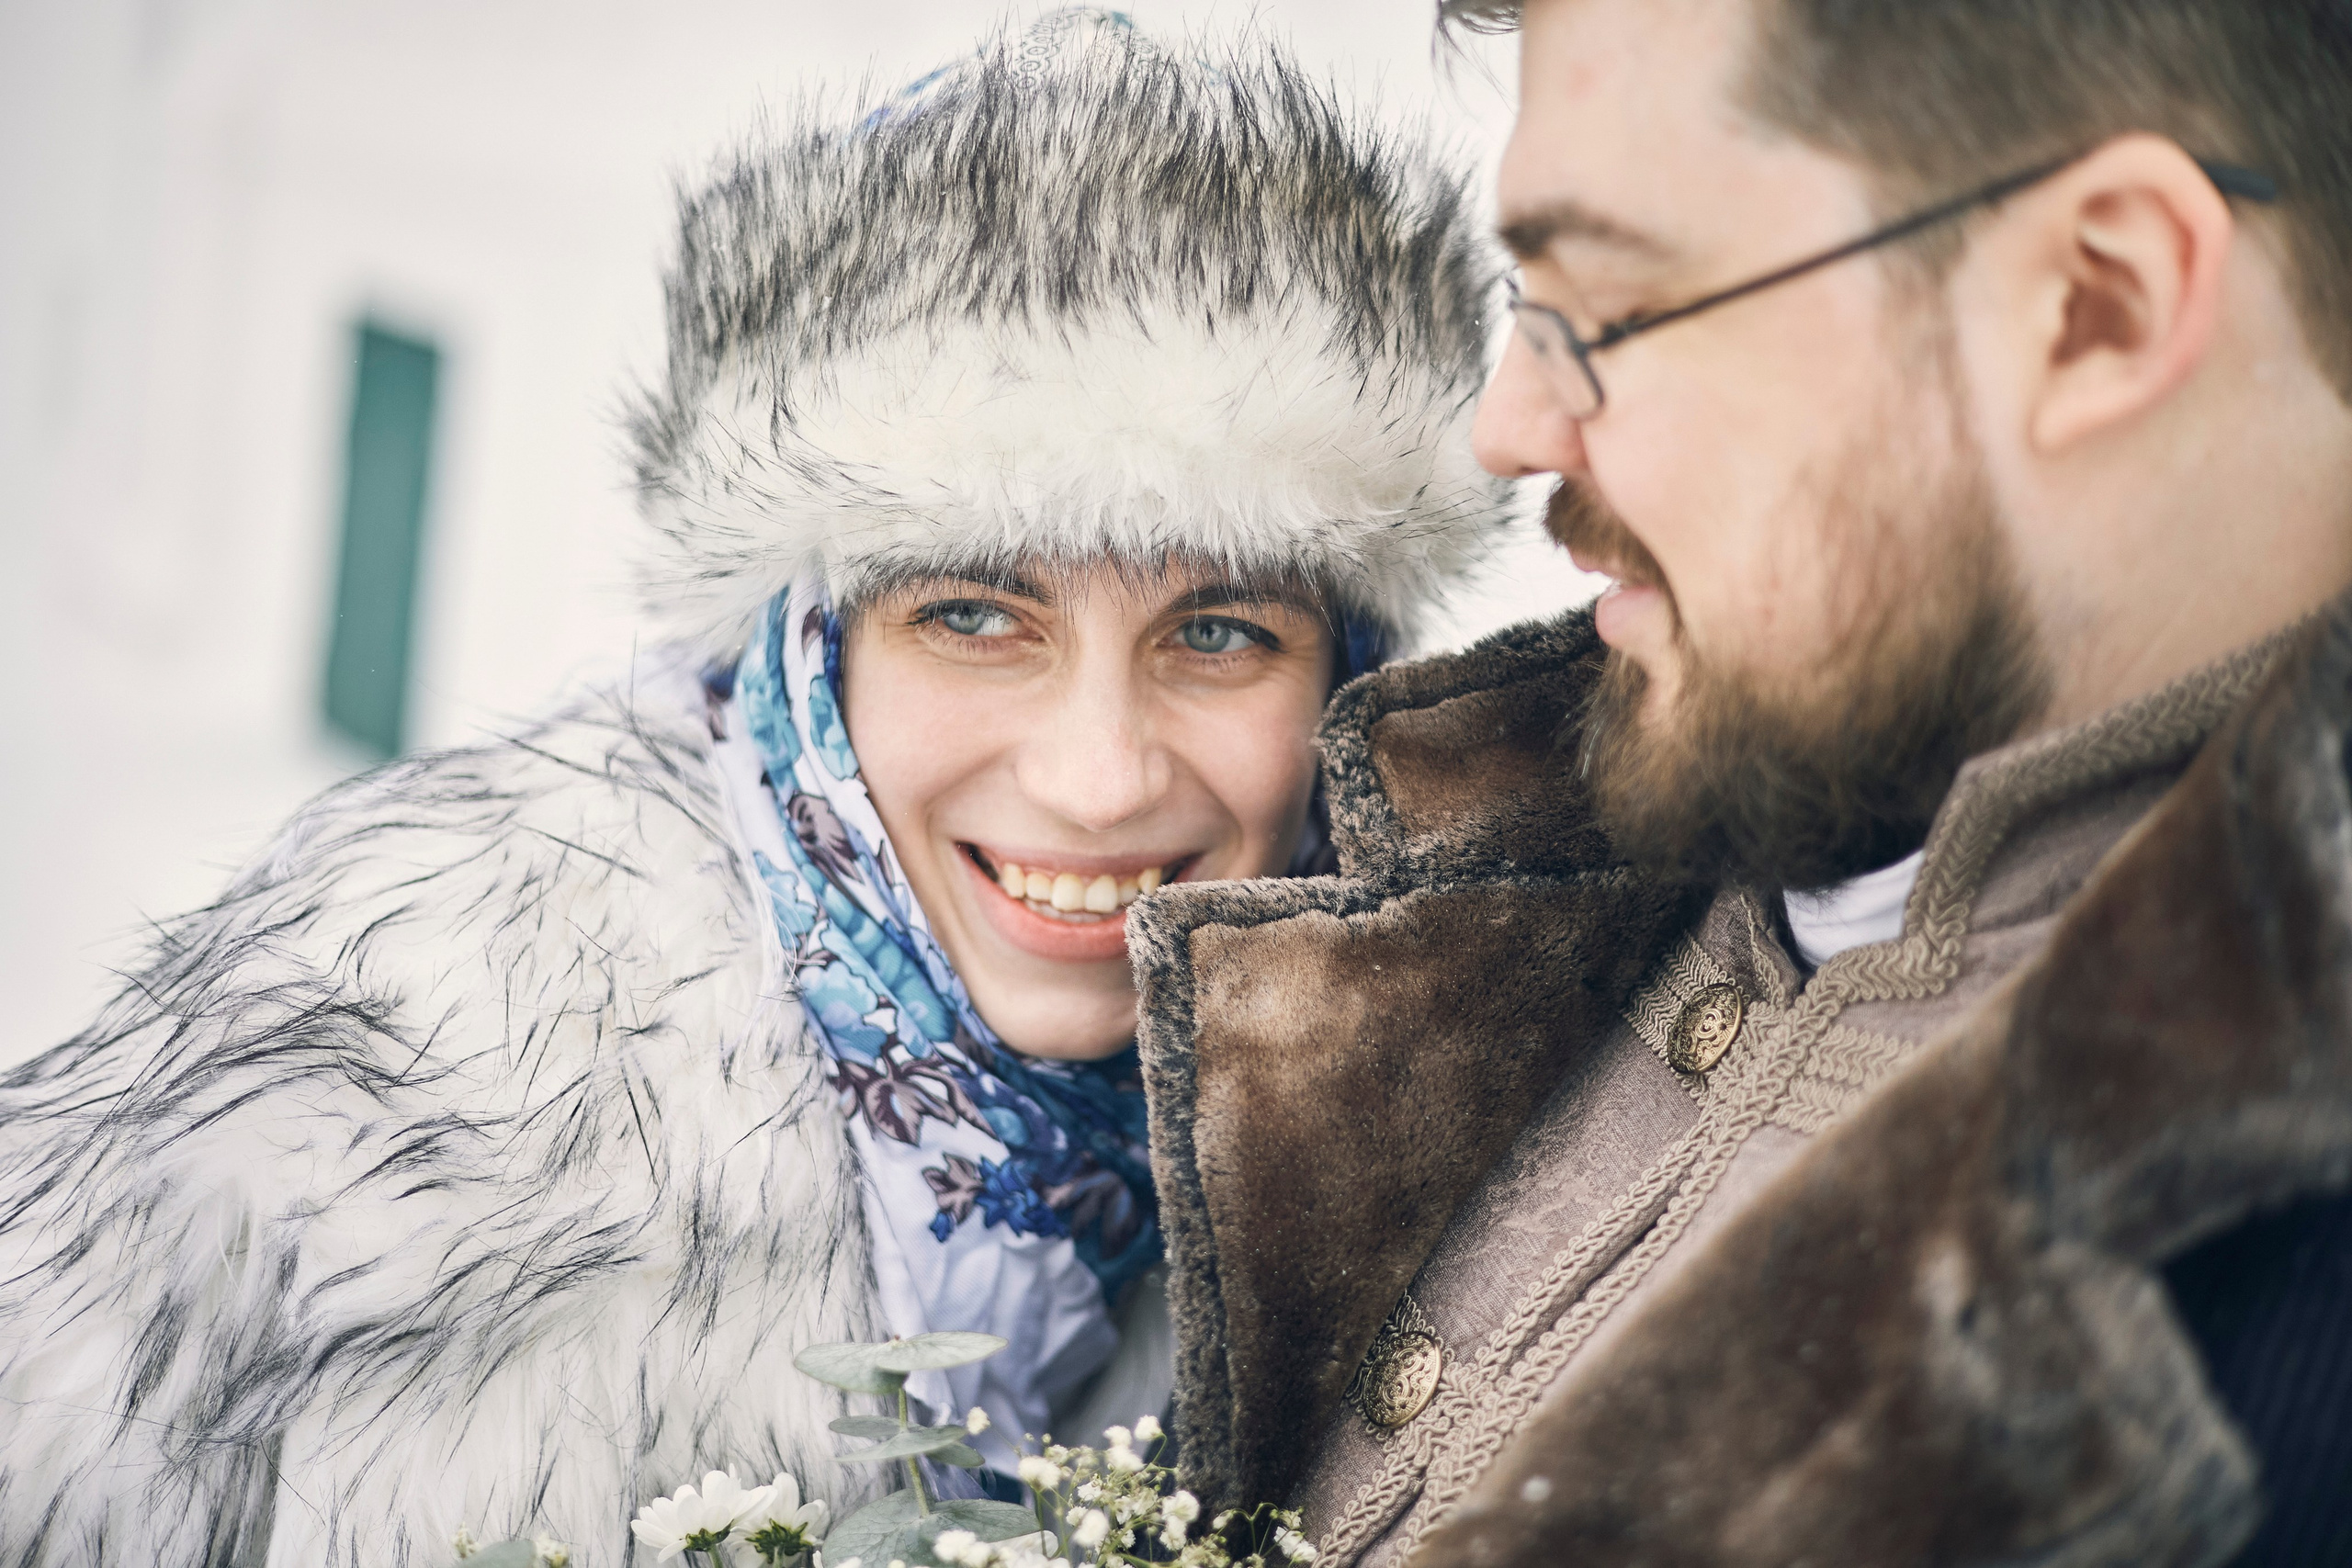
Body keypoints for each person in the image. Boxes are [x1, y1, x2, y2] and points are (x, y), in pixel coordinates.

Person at [0, 16, 1506, 1563]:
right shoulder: (395, 1088)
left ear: (1344, 677)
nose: (1100, 776)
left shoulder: (1375, 1167)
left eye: (1219, 632)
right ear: (805, 649)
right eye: (975, 618)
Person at [1134, 2, 2352, 1564]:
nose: (1507, 429)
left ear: (2096, 302)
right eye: (1528, 298)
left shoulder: (2276, 1382)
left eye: (1615, 306)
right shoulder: (1595, 814)